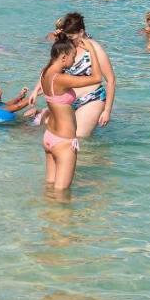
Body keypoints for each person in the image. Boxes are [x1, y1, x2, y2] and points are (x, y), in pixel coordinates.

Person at [31, 12, 116, 139]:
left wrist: (107, 111)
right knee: (53, 133)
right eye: (66, 37)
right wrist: (36, 90)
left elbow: (110, 80)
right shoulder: (67, 47)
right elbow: (52, 69)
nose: (69, 40)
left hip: (91, 99)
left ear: (81, 32)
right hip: (68, 101)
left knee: (78, 138)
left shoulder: (94, 48)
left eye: (71, 37)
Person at [37, 37, 101, 192]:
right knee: (61, 195)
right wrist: (91, 50)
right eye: (73, 57)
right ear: (63, 57)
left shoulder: (45, 73)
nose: (74, 61)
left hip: (49, 136)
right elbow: (97, 78)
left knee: (50, 189)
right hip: (64, 142)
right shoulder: (61, 79)